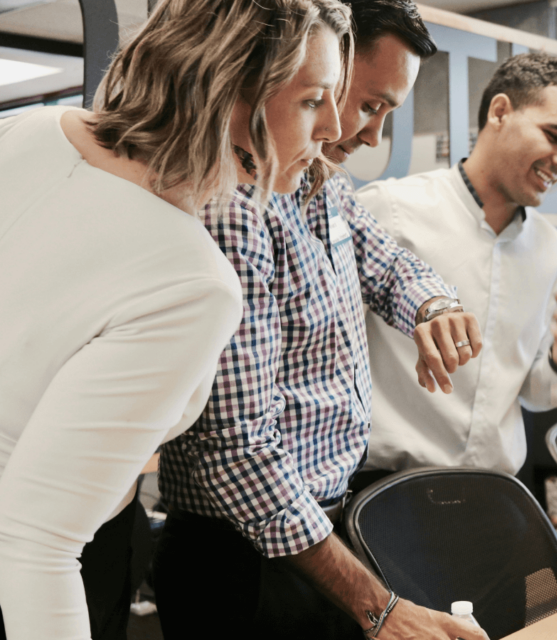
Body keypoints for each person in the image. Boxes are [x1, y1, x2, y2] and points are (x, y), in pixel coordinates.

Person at [0, 0, 354, 635]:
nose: (333, 127)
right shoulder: (192, 283)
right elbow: (31, 543)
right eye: (311, 100)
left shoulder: (30, 131)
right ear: (229, 89)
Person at [153, 1, 487, 639]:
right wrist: (379, 607)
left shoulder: (320, 183)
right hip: (242, 560)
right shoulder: (230, 207)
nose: (365, 133)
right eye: (366, 103)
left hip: (315, 531)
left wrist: (434, 306)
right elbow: (240, 454)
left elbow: (386, 263)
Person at [354, 52, 557, 479]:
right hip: (385, 487)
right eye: (554, 135)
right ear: (499, 111)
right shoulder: (389, 211)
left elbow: (538, 394)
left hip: (495, 492)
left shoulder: (554, 252)